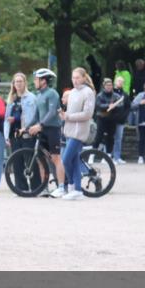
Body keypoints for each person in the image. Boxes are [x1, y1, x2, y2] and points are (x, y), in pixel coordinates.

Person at [57, 67, 96, 200]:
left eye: (77, 78)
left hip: (79, 132)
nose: (75, 80)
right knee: (73, 160)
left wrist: (68, 117)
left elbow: (87, 114)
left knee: (66, 159)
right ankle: (75, 190)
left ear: (84, 78)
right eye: (73, 78)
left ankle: (74, 186)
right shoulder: (72, 92)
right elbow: (70, 112)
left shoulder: (88, 92)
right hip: (69, 130)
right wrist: (64, 116)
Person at [27, 68, 65, 197]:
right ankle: (44, 188)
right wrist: (25, 128)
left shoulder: (52, 93)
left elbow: (52, 112)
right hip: (42, 129)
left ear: (43, 80)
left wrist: (40, 125)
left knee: (56, 158)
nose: (34, 82)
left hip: (52, 129)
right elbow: (36, 116)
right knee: (40, 159)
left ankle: (61, 187)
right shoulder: (39, 96)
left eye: (36, 79)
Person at [92, 78, 123, 157]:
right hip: (101, 118)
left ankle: (108, 154)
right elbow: (98, 105)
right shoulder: (100, 95)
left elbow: (120, 105)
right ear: (104, 86)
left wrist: (114, 106)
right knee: (99, 136)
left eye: (110, 85)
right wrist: (108, 106)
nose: (109, 87)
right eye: (107, 85)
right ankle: (92, 154)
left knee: (110, 137)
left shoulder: (116, 96)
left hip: (112, 119)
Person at [110, 75, 130, 164]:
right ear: (115, 82)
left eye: (122, 82)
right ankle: (108, 156)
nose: (120, 83)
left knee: (119, 138)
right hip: (111, 120)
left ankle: (117, 157)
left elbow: (127, 107)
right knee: (109, 138)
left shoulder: (125, 95)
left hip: (120, 120)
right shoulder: (110, 93)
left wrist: (124, 116)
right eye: (118, 81)